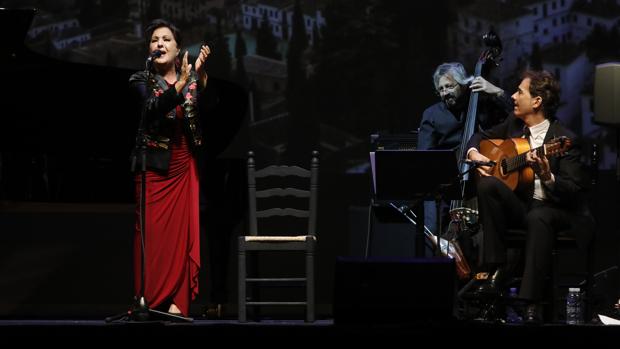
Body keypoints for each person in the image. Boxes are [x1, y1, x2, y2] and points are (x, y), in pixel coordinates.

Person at [466, 70, 593, 324]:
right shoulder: (512, 126)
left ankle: (531, 302)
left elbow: (573, 191)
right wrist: (473, 153)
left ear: (537, 101)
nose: (512, 96)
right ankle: (496, 267)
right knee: (488, 184)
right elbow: (479, 136)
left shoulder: (564, 139)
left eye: (519, 92)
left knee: (539, 216)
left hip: (556, 209)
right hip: (523, 207)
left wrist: (547, 176)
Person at [129, 19, 211, 317]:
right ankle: (148, 301)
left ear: (178, 50)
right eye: (154, 40)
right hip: (153, 170)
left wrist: (199, 77)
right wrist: (181, 84)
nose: (159, 44)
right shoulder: (140, 80)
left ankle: (178, 302)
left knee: (180, 238)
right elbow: (153, 107)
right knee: (150, 239)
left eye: (166, 39)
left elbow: (209, 114)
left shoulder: (190, 80)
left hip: (183, 166)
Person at [417, 62, 511, 250]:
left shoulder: (481, 104)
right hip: (445, 184)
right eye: (441, 89)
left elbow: (514, 114)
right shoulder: (432, 115)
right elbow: (424, 157)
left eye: (449, 86)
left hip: (478, 177)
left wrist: (496, 91)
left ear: (463, 84)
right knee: (430, 227)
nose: (445, 93)